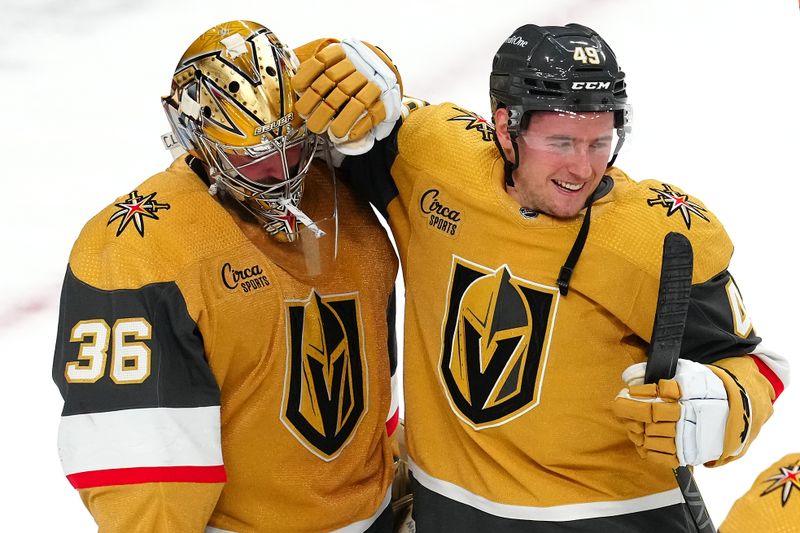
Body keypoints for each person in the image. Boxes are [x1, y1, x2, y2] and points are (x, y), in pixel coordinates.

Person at [292, 23, 790, 531]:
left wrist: (724, 406)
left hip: (610, 517)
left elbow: (756, 366)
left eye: (600, 143)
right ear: (506, 129)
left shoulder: (656, 241)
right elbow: (346, 110)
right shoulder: (432, 163)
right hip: (449, 509)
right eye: (561, 141)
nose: (582, 168)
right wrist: (351, 67)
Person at [52, 20, 401, 532]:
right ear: (196, 139)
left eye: (294, 145)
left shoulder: (348, 194)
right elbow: (148, 473)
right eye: (254, 156)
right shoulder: (137, 253)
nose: (283, 171)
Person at [720, 453, 800, 532]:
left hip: (736, 518)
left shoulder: (792, 458)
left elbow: (759, 484)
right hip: (741, 519)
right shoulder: (792, 458)